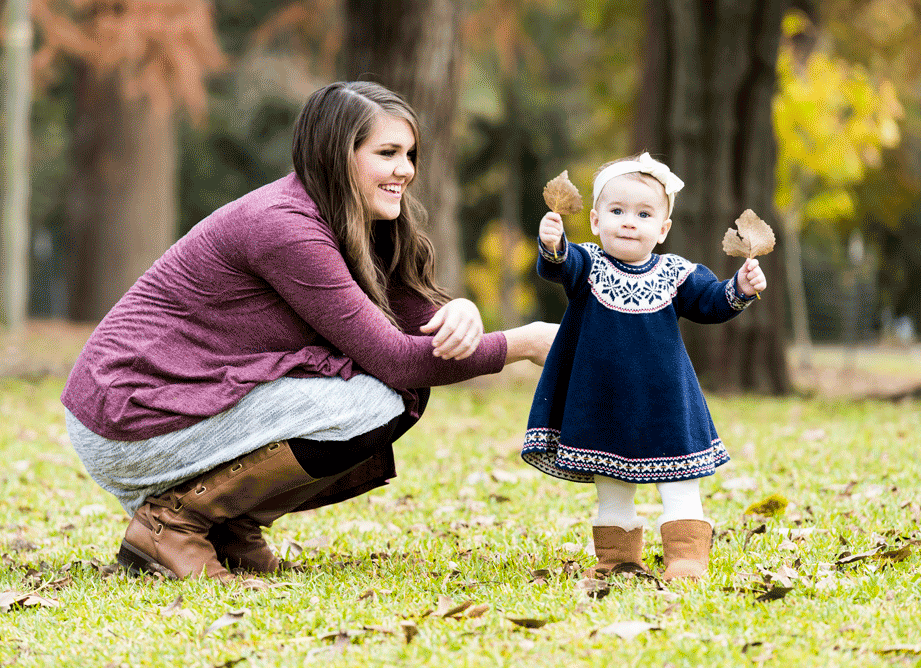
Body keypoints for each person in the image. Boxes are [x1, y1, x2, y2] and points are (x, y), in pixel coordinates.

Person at [61, 81, 556, 583]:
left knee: (395, 394)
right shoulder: (285, 226)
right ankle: (175, 523)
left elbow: (418, 325)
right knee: (375, 399)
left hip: (170, 404)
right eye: (386, 153)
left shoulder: (353, 220)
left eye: (409, 154)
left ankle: (229, 526)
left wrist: (463, 310)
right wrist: (527, 343)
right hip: (127, 414)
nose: (405, 170)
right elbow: (397, 360)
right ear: (338, 156)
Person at [522, 152, 767, 581]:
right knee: (612, 482)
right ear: (596, 221)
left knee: (679, 481)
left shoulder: (676, 272)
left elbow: (710, 302)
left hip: (667, 402)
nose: (629, 221)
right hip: (604, 402)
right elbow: (560, 265)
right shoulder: (589, 265)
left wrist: (739, 288)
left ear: (662, 229)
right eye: (617, 211)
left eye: (643, 213)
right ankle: (616, 558)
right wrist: (553, 245)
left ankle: (686, 559)